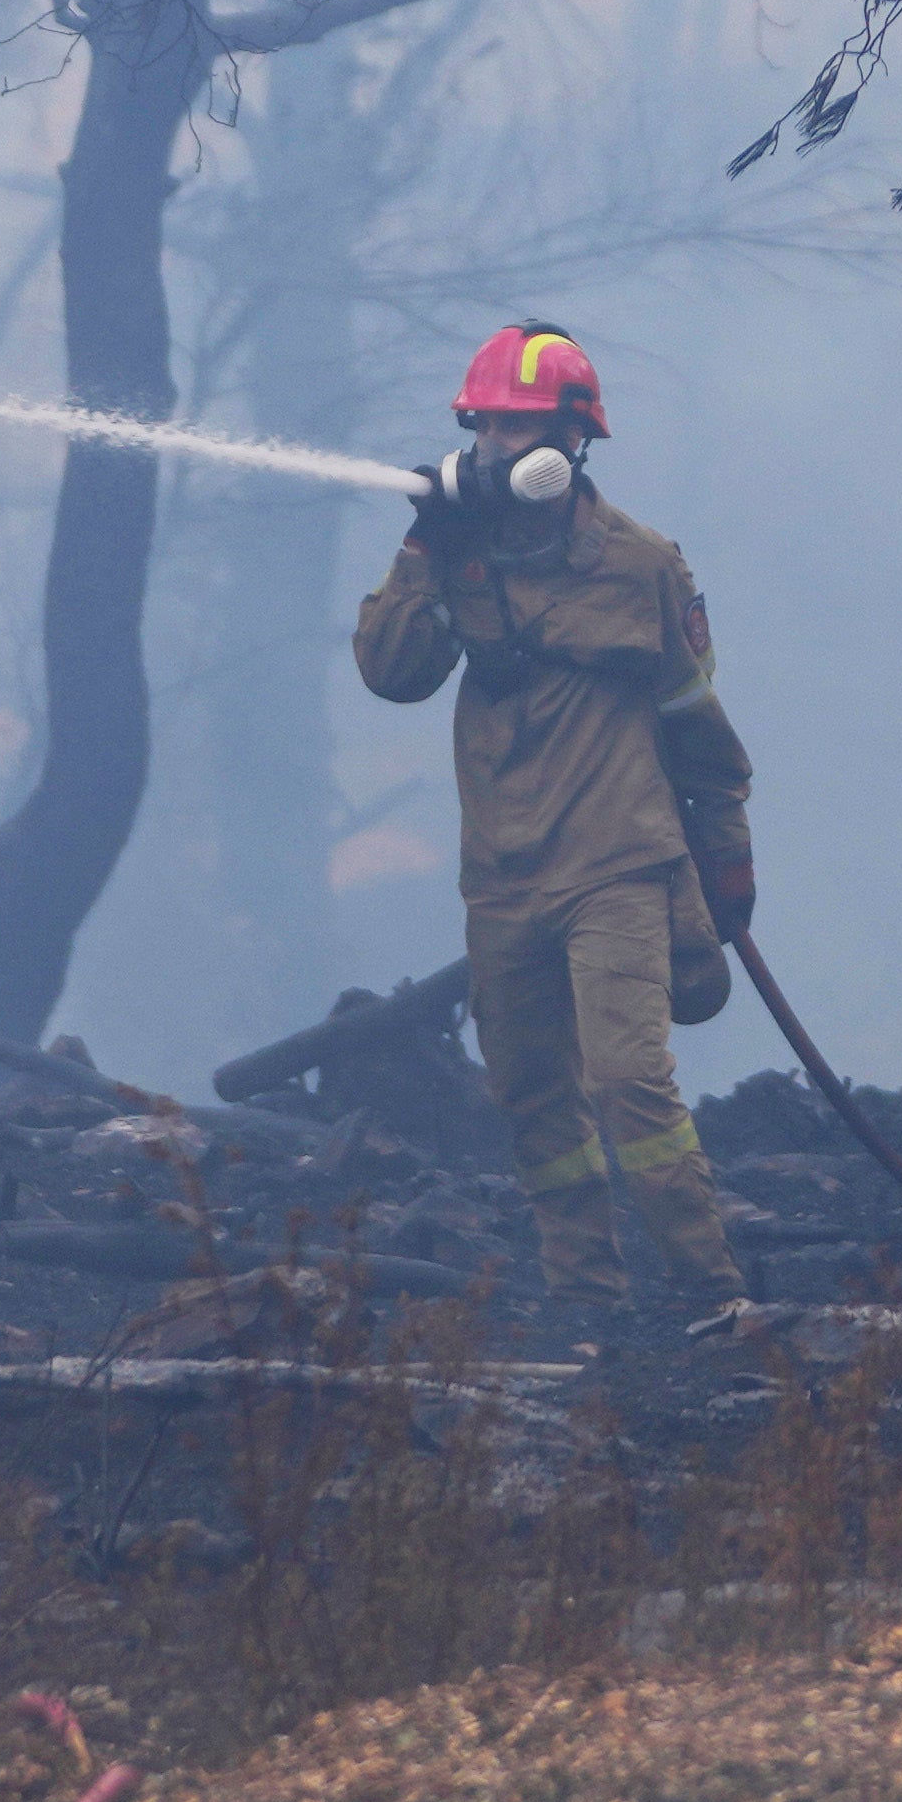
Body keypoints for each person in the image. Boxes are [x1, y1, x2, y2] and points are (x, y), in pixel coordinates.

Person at [354, 318, 759, 1308]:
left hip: (618, 865)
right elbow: (391, 674)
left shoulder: (642, 566)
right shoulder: (455, 552)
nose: (504, 446)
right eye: (489, 427)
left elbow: (692, 715)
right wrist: (422, 546)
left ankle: (713, 1296)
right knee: (533, 1095)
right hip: (502, 879)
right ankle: (592, 1304)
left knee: (630, 1082)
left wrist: (725, 858)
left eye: (526, 427)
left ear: (577, 440)